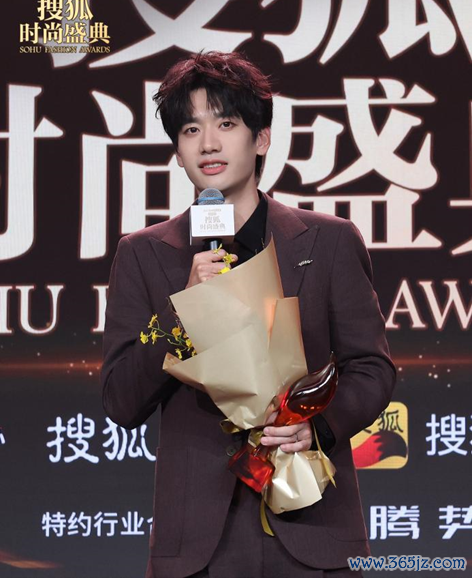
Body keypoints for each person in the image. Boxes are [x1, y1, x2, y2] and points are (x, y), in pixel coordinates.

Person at [101, 51, 396, 578]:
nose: (208, 144)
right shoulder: (145, 255)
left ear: (260, 139)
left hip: (310, 525)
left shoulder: (326, 242)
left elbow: (372, 368)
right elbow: (122, 397)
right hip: (198, 545)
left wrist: (318, 428)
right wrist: (183, 312)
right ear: (177, 151)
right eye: (191, 129)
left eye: (226, 124)